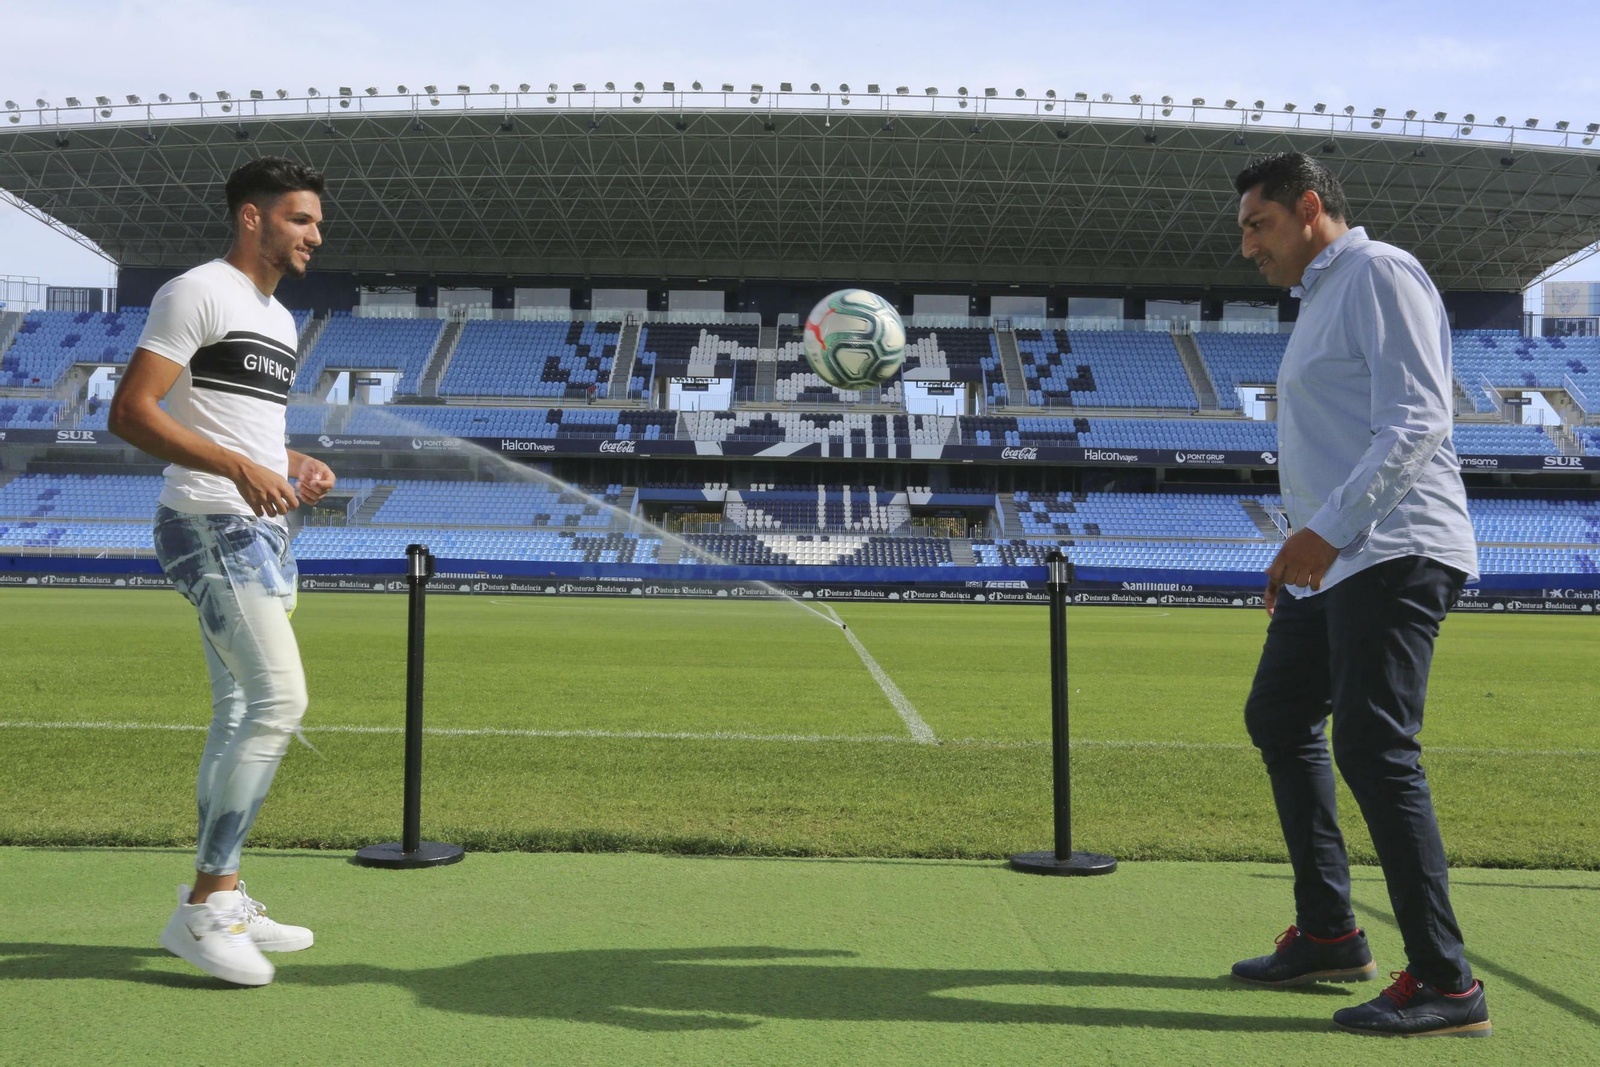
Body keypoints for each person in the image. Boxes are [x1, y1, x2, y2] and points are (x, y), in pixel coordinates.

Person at [1226, 152, 1489, 1038]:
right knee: (1279, 713)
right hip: (1334, 553)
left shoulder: (1378, 271)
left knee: (1375, 744)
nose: (1249, 248)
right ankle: (1332, 933)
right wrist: (1298, 545)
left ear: (1309, 209)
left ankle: (1449, 983)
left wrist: (1328, 531)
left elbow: (1417, 419)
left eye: (1258, 226)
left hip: (1395, 544)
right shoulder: (1318, 299)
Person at [109, 156, 335, 987]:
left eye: (315, 221)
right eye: (301, 218)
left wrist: (291, 460)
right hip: (207, 524)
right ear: (253, 217)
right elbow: (131, 411)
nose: (316, 234)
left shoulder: (274, 319)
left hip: (260, 527)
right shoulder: (196, 290)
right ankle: (204, 908)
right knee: (280, 700)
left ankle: (227, 893)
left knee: (239, 705)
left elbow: (239, 424)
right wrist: (241, 469)